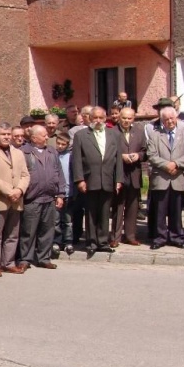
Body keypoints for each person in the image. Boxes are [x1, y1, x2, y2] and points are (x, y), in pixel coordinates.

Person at [72, 106, 123, 258]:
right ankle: (91, 242)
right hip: (89, 179)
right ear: (90, 118)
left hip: (108, 179)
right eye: (95, 118)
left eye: (101, 118)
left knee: (105, 212)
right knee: (91, 213)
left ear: (105, 118)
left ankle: (103, 242)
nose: (98, 121)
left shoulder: (114, 135)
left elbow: (118, 159)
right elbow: (76, 161)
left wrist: (118, 179)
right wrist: (80, 179)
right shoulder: (81, 135)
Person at [19, 125, 66, 269]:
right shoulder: (24, 152)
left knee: (47, 229)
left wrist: (60, 194)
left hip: (49, 198)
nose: (47, 137)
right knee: (29, 230)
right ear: (34, 138)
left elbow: (59, 173)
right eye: (44, 135)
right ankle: (25, 259)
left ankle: (44, 258)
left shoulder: (52, 152)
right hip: (32, 199)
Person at [0, 122, 30, 275]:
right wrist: (9, 191)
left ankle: (9, 262)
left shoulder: (18, 152)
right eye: (3, 134)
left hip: (17, 199)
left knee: (13, 234)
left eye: (8, 134)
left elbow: (25, 175)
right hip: (1, 199)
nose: (6, 137)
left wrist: (19, 190)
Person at [148, 107, 184, 249]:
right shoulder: (155, 135)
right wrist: (167, 165)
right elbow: (152, 155)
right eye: (166, 119)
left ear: (176, 117)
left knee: (176, 211)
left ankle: (177, 237)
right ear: (162, 121)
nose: (169, 121)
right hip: (161, 178)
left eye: (172, 118)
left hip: (177, 176)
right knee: (160, 211)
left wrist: (176, 164)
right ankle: (160, 238)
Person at [112, 107, 146, 246]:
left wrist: (138, 155)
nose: (126, 121)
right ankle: (115, 237)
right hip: (119, 173)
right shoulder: (112, 132)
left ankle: (130, 236)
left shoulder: (139, 131)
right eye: (124, 118)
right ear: (119, 117)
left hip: (134, 172)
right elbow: (108, 152)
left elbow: (145, 151)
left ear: (134, 118)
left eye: (129, 118)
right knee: (118, 206)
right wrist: (121, 157)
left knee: (133, 206)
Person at [53, 133, 75, 256]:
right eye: (58, 143)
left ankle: (68, 241)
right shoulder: (52, 154)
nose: (60, 146)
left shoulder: (71, 156)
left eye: (63, 144)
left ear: (68, 145)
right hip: (55, 194)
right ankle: (56, 241)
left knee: (67, 220)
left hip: (68, 192)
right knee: (55, 220)